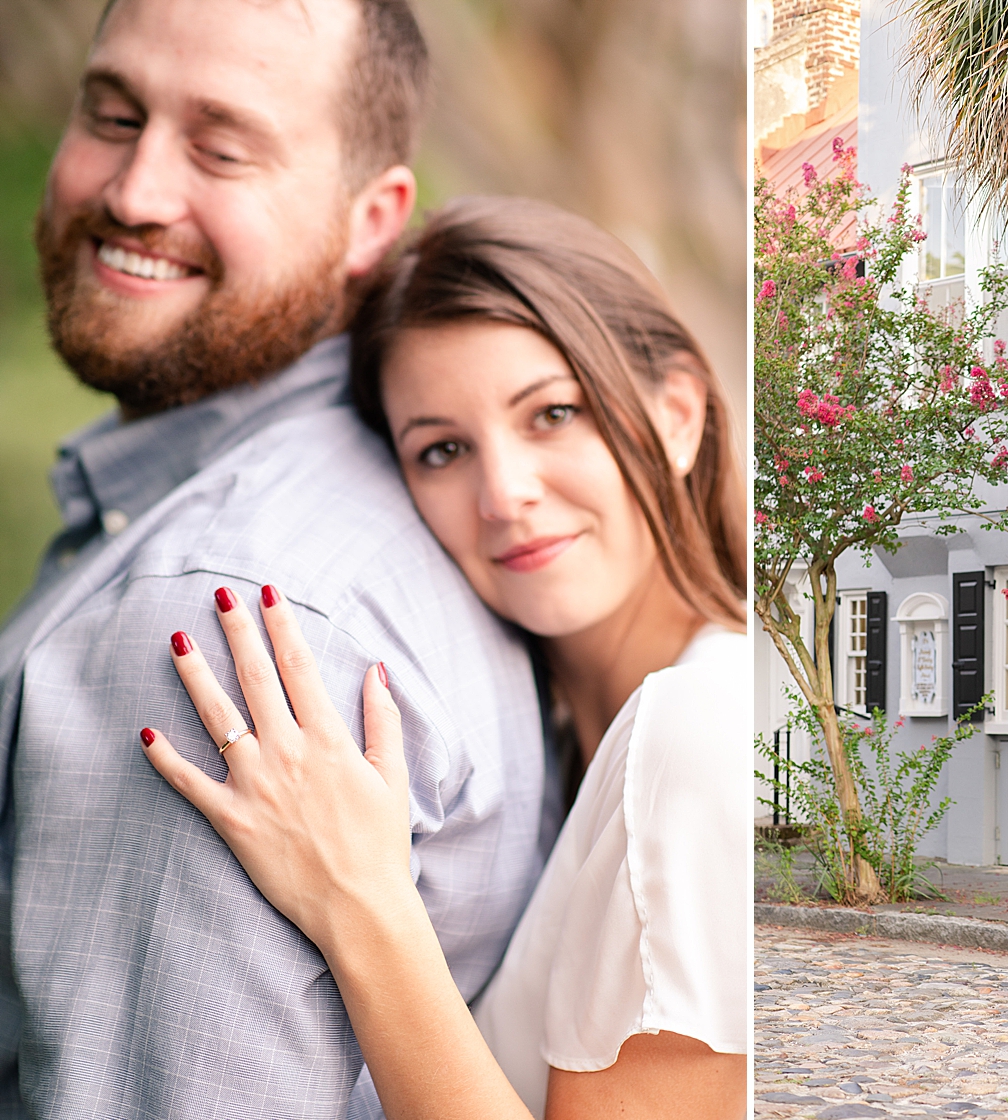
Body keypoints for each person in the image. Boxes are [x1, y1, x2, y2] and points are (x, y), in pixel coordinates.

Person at [0, 3, 551, 1115]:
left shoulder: (218, 626)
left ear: (370, 221)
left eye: (221, 149)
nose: (134, 192)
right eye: (112, 114)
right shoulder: (346, 511)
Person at [139, 197, 750, 1119]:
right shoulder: (563, 744)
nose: (504, 494)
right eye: (443, 450)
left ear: (674, 417)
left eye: (552, 414)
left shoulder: (696, 728)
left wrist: (360, 902)